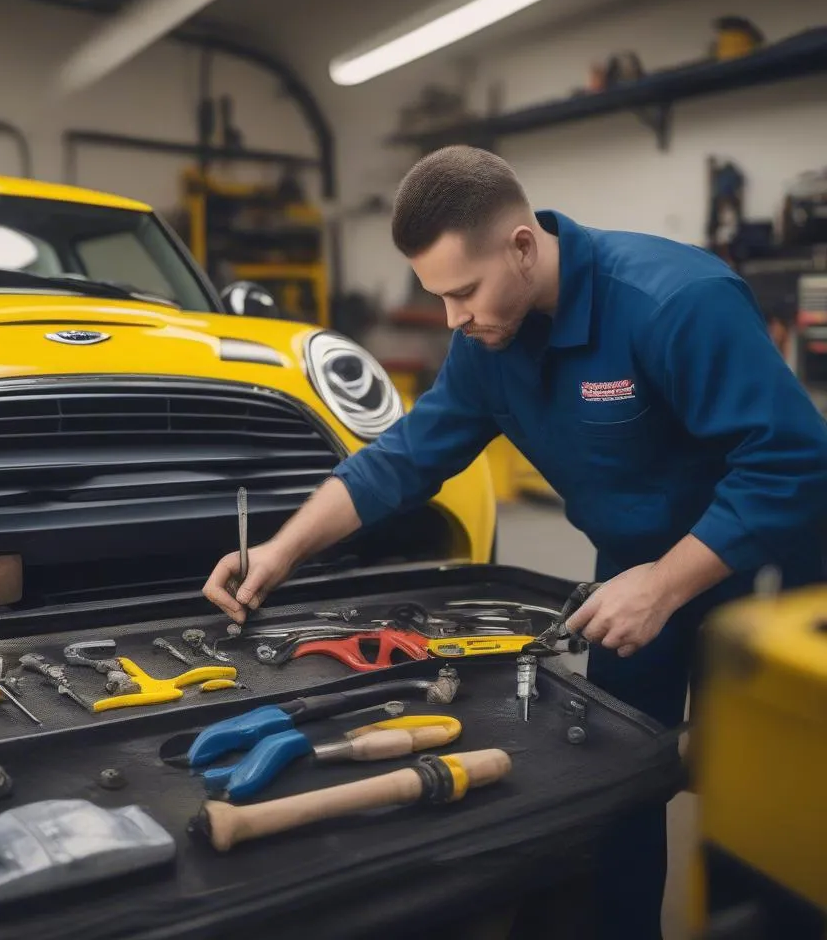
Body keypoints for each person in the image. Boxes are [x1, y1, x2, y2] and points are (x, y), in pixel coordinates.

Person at [203, 145, 827, 938]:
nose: (454, 320)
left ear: (523, 246)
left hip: (766, 574)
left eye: (464, 292)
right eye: (441, 298)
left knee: (761, 800)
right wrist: (280, 552)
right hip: (633, 575)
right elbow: (403, 458)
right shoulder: (487, 346)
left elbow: (796, 460)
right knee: (621, 781)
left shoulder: (677, 299)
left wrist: (666, 584)